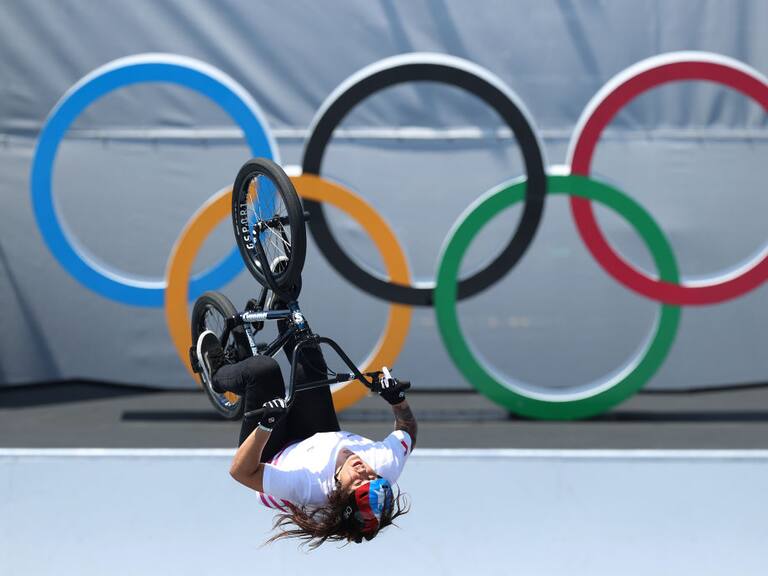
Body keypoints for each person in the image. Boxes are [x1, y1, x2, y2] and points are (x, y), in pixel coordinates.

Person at [195, 319, 417, 549]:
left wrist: (267, 424)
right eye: (372, 477)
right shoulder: (386, 465)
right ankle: (284, 304)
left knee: (263, 370)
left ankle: (218, 373)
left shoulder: (309, 487)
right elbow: (407, 430)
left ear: (339, 493)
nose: (363, 471)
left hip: (271, 458)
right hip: (319, 438)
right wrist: (397, 401)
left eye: (358, 482)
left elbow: (241, 472)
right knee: (308, 354)